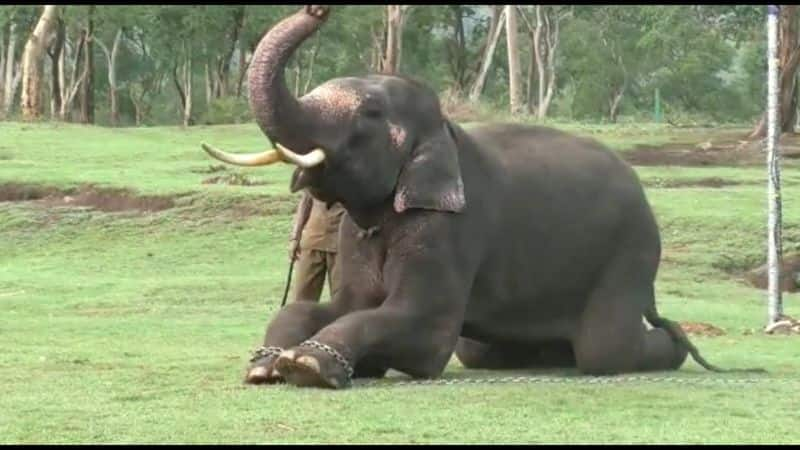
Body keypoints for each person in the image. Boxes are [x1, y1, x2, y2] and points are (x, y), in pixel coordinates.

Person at [287, 190, 346, 302]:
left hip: (342, 244)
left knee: (342, 301)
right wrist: (295, 236)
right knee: (301, 300)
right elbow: (306, 200)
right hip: (313, 240)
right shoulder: (314, 173)